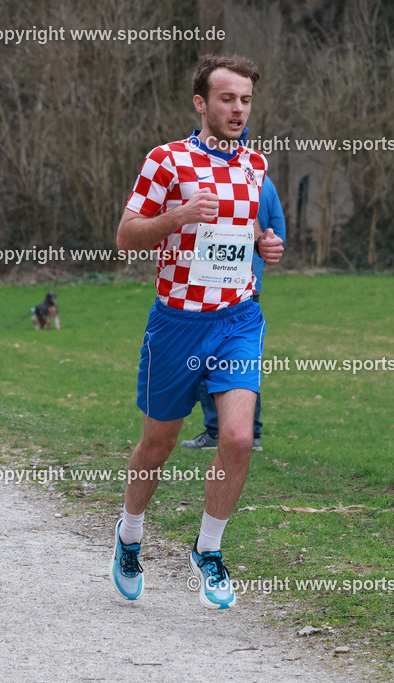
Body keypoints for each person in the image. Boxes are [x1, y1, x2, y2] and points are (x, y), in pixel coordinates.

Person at [112, 54, 284, 610]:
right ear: (201, 103)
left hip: (237, 320)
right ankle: (130, 534)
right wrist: (177, 218)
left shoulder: (256, 167)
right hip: (177, 323)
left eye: (246, 100)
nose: (238, 110)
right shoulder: (166, 161)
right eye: (228, 99)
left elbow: (259, 236)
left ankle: (208, 550)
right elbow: (127, 236)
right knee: (157, 444)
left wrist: (268, 248)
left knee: (236, 438)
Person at [181, 174, 285, 452]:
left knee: (208, 360)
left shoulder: (209, 177)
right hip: (250, 287)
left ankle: (216, 432)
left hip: (212, 288)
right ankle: (253, 434)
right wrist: (268, 246)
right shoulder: (267, 183)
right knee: (243, 363)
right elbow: (278, 230)